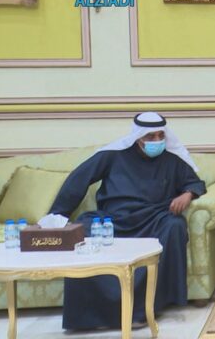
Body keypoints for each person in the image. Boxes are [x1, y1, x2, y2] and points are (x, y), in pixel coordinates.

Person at [49, 112, 206, 330]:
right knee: (82, 230)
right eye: (150, 136)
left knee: (175, 226)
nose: (157, 141)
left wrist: (187, 194)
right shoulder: (113, 155)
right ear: (138, 137)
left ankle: (147, 308)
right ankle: (92, 315)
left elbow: (195, 182)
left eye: (161, 136)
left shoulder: (172, 159)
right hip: (115, 220)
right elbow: (78, 179)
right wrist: (57, 215)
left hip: (154, 219)